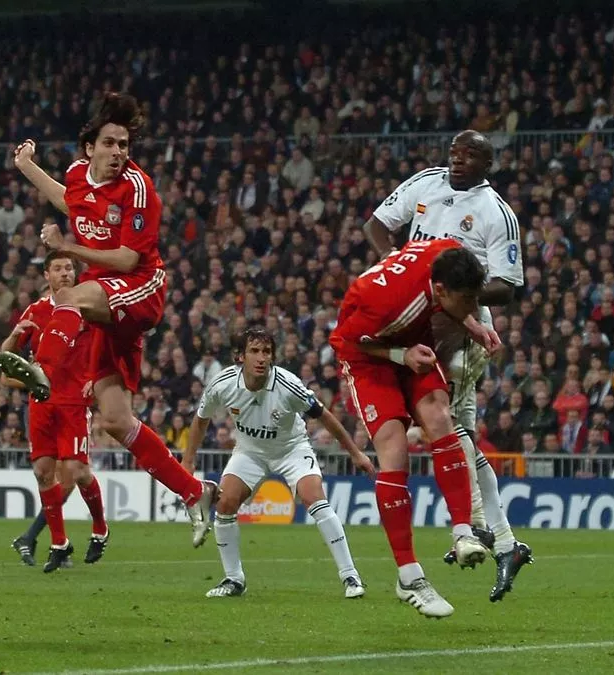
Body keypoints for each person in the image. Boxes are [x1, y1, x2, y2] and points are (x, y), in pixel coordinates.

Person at [0, 93, 217, 558]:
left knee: (69, 297)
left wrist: (67, 249)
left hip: (140, 290)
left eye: (125, 145)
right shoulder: (78, 174)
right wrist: (27, 167)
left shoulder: (138, 188)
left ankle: (42, 370)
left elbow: (129, 259)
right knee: (116, 420)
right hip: (106, 300)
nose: (119, 152)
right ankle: (194, 491)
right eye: (111, 143)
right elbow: (69, 200)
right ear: (90, 148)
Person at [362, 129, 532, 602]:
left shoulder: (496, 213)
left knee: (446, 426)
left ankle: (479, 528)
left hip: (462, 331)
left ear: (487, 164)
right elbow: (375, 225)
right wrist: (393, 263)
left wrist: (447, 293)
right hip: (419, 323)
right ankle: (501, 540)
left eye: (470, 154)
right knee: (460, 434)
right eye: (455, 151)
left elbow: (506, 287)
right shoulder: (425, 182)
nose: (458, 159)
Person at [330, 237, 500, 618]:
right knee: (394, 448)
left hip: (411, 341)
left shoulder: (448, 250)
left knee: (440, 416)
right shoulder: (386, 302)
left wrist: (473, 325)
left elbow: (449, 292)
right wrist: (399, 355)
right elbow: (343, 341)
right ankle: (408, 576)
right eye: (467, 300)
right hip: (369, 356)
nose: (474, 306)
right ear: (440, 290)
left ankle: (464, 533)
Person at [183, 326, 375, 599]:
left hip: (291, 449)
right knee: (225, 504)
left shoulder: (288, 385)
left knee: (314, 498)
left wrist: (355, 453)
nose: (261, 358)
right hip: (250, 451)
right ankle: (234, 579)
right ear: (240, 356)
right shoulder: (223, 383)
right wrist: (188, 461)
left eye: (267, 352)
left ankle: (350, 576)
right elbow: (200, 420)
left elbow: (325, 416)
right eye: (254, 351)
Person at [3, 252, 108, 572]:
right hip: (41, 403)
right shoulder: (36, 311)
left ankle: (100, 528)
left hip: (73, 402)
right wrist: (14, 337)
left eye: (69, 268)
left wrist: (95, 378)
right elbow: (5, 363)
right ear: (46, 275)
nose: (65, 273)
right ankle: (59, 543)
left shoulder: (88, 307)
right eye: (58, 268)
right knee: (43, 472)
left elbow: (108, 347)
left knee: (76, 472)